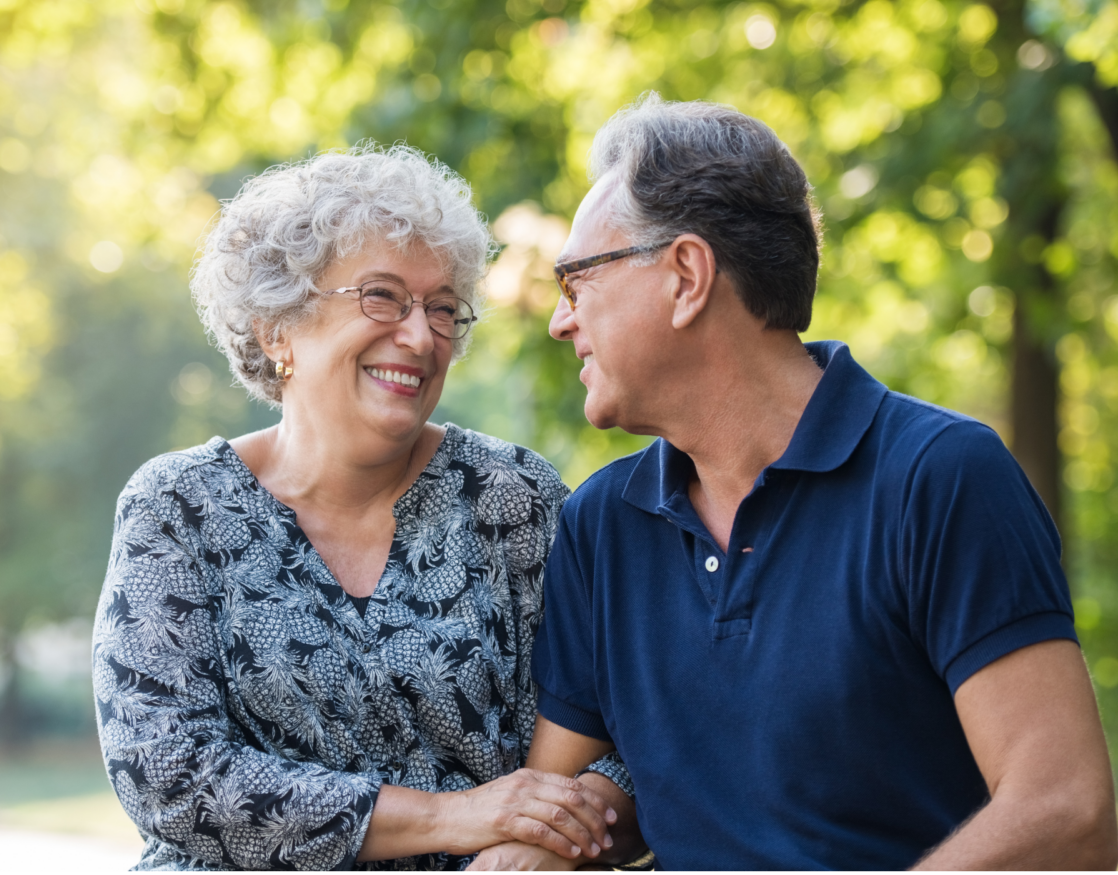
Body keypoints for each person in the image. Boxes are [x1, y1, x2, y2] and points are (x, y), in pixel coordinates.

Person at [474, 95, 1118, 869]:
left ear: (686, 276)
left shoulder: (941, 477)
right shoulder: (603, 525)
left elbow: (1066, 809)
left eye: (577, 280)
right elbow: (564, 796)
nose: (560, 320)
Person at [91, 144, 636, 870]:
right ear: (276, 326)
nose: (420, 336)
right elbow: (169, 775)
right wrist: (460, 814)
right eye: (382, 296)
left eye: (442, 307)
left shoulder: (516, 498)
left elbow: (636, 729)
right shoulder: (177, 508)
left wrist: (542, 845)